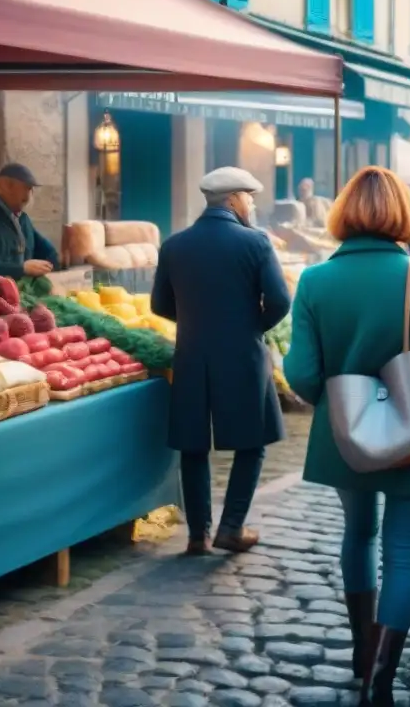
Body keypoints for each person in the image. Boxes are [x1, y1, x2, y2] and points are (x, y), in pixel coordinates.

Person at [284, 166, 410, 705]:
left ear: (343, 213)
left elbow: (299, 374)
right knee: (405, 553)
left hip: (348, 436)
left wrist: (343, 404)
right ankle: (380, 680)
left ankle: (360, 651)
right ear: (402, 214)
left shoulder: (316, 280)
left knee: (358, 535)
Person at [151, 167, 291, 556]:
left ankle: (198, 535)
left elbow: (159, 304)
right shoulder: (256, 242)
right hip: (243, 354)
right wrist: (251, 326)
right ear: (232, 199)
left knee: (193, 443)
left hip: (192, 354)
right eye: (249, 197)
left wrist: (200, 324)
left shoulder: (174, 245)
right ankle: (231, 527)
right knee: (252, 441)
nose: (252, 204)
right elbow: (280, 301)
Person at [0, 163, 59, 279]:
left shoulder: (22, 219)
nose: (29, 195)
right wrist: (22, 269)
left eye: (31, 189)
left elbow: (45, 251)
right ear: (3, 186)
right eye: (26, 188)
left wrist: (58, 260)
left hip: (25, 291)